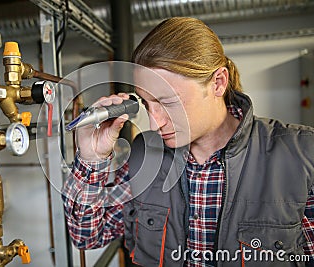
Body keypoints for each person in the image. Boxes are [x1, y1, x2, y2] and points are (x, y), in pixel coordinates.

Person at [61, 17, 314, 266]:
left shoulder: (302, 154)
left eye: (169, 102)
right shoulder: (144, 155)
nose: (155, 123)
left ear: (218, 83)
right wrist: (91, 159)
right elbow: (87, 237)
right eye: (148, 105)